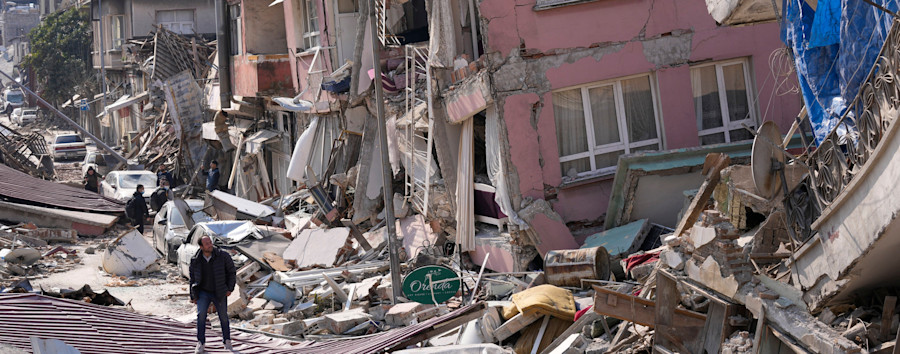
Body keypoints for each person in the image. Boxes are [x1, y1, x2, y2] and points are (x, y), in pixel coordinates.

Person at [190, 235, 236, 353]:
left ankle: (227, 341)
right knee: (201, 316)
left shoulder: (223, 256)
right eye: (207, 244)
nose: (210, 245)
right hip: (203, 292)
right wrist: (193, 295)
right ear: (201, 247)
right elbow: (192, 278)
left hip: (219, 291)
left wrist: (229, 288)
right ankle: (201, 343)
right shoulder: (196, 259)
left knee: (223, 317)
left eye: (210, 242)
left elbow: (232, 272)